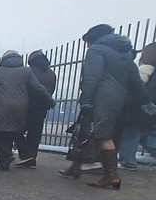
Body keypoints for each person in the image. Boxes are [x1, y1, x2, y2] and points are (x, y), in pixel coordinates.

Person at [59, 24, 155, 188]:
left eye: (88, 42)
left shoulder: (96, 50)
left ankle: (111, 175)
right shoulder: (124, 52)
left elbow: (92, 77)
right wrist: (145, 101)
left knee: (102, 136)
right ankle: (76, 167)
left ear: (93, 39)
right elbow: (135, 80)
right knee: (89, 131)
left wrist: (86, 99)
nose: (87, 46)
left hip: (101, 98)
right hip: (119, 100)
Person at [0, 50, 55, 170]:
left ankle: (5, 155)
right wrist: (50, 101)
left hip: (0, 106)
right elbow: (38, 88)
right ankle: (5, 161)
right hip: (21, 107)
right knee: (12, 132)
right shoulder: (26, 71)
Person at [15, 50, 57, 168]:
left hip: (27, 105)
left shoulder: (30, 72)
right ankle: (32, 158)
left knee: (16, 130)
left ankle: (25, 155)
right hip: (42, 106)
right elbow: (51, 90)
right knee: (35, 133)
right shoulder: (51, 74)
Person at [119, 42, 156, 169]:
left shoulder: (146, 70)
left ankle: (128, 161)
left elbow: (138, 87)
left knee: (132, 133)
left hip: (141, 107)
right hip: (150, 107)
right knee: (147, 134)